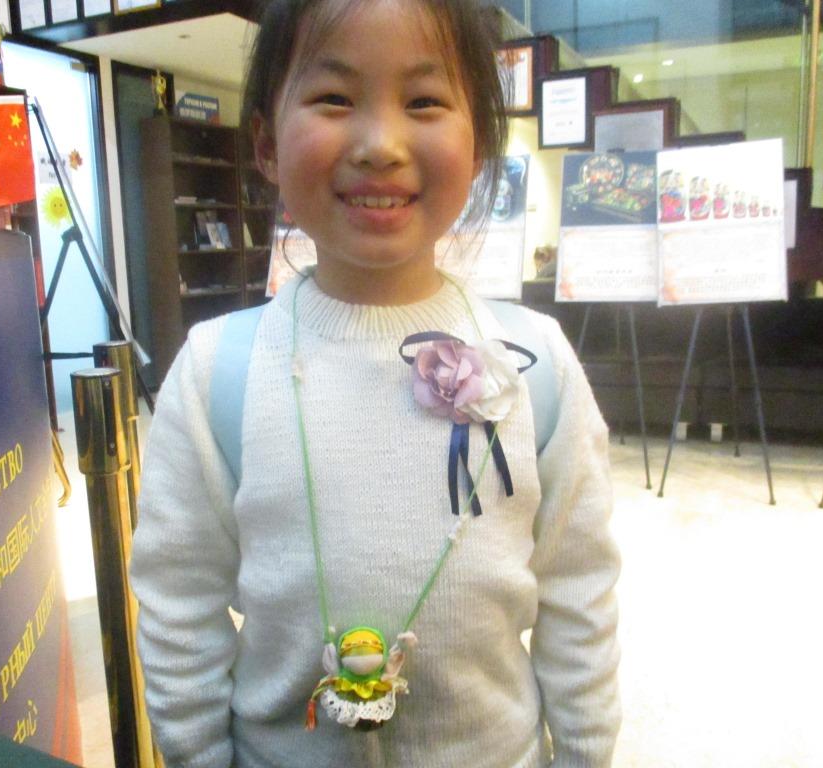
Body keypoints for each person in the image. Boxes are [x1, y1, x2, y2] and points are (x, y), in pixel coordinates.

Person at [129, 0, 621, 766]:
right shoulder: (217, 370)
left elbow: (579, 594)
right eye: (334, 98)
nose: (380, 145)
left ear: (479, 142)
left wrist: (586, 755)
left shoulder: (536, 363)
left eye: (423, 101)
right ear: (265, 142)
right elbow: (178, 604)